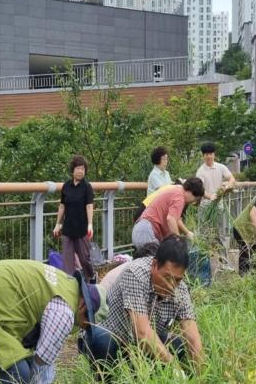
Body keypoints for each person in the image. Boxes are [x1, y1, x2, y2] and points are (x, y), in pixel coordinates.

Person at [80, 235, 203, 371]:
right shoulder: (135, 274)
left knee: (177, 344)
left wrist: (201, 380)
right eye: (167, 277)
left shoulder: (181, 289)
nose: (171, 285)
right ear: (154, 265)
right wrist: (176, 370)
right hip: (110, 335)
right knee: (103, 342)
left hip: (138, 345)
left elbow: (192, 337)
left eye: (178, 280)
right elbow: (142, 332)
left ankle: (148, 380)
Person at [53, 155, 95, 282]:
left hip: (82, 228)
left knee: (84, 258)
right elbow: (62, 206)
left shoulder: (87, 187)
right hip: (68, 228)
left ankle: (91, 276)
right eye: (78, 168)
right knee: (67, 260)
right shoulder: (66, 186)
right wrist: (57, 224)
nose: (80, 171)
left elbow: (89, 206)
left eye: (82, 169)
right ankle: (69, 284)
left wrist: (90, 224)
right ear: (73, 170)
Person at [132, 178, 204, 250]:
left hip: (142, 230)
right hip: (147, 232)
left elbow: (176, 219)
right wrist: (178, 242)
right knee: (156, 260)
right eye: (195, 199)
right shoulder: (180, 198)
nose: (192, 202)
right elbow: (171, 219)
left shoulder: (177, 189)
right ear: (190, 192)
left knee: (159, 259)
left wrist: (187, 233)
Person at [196, 142, 236, 269]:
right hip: (205, 207)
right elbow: (200, 190)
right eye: (206, 154)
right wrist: (210, 196)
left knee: (221, 234)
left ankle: (223, 263)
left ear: (214, 155)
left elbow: (232, 178)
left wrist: (227, 186)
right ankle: (202, 263)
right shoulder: (201, 171)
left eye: (211, 154)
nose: (209, 156)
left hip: (219, 207)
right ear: (203, 156)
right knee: (204, 235)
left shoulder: (220, 167)